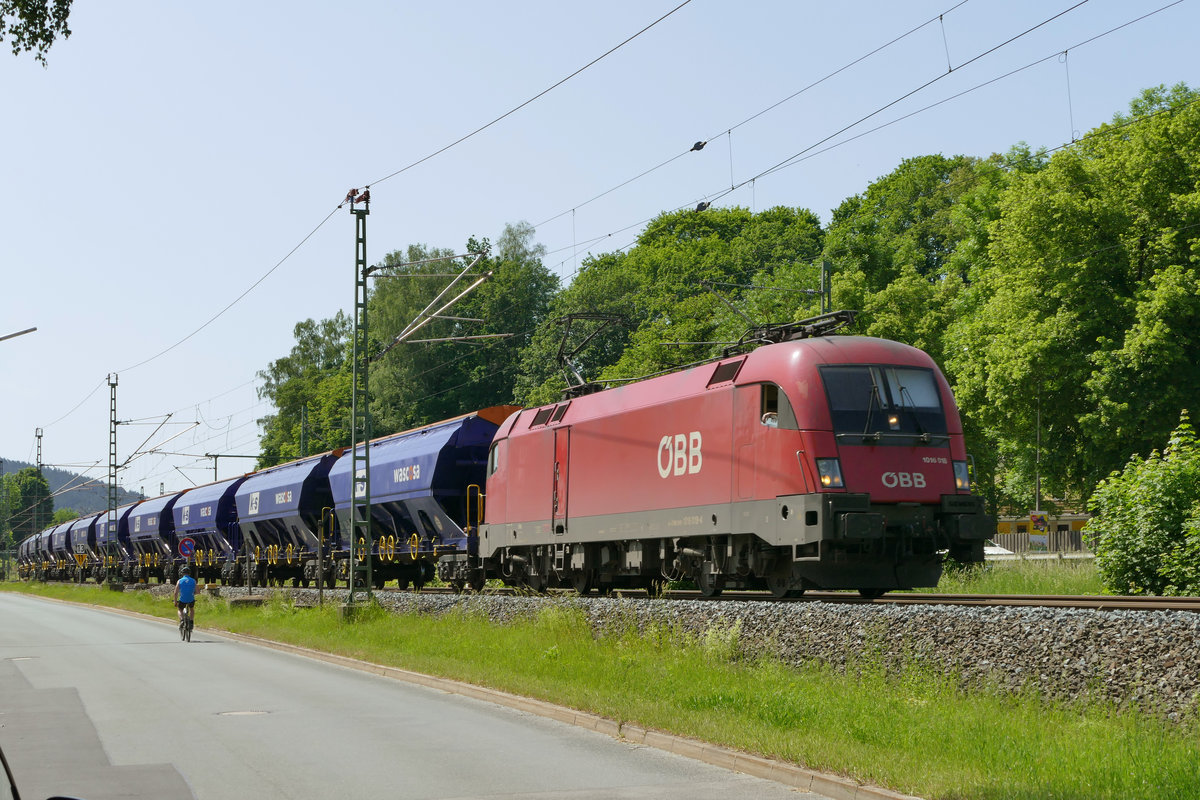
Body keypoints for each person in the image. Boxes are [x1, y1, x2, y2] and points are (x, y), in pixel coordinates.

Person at [174, 565, 197, 632]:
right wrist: (193, 593)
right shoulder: (193, 581)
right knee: (191, 609)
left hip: (182, 599)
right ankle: (191, 622)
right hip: (191, 599)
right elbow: (198, 591)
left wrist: (175, 601)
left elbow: (175, 592)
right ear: (189, 573)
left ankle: (181, 620)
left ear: (182, 573)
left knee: (180, 609)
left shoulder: (180, 581)